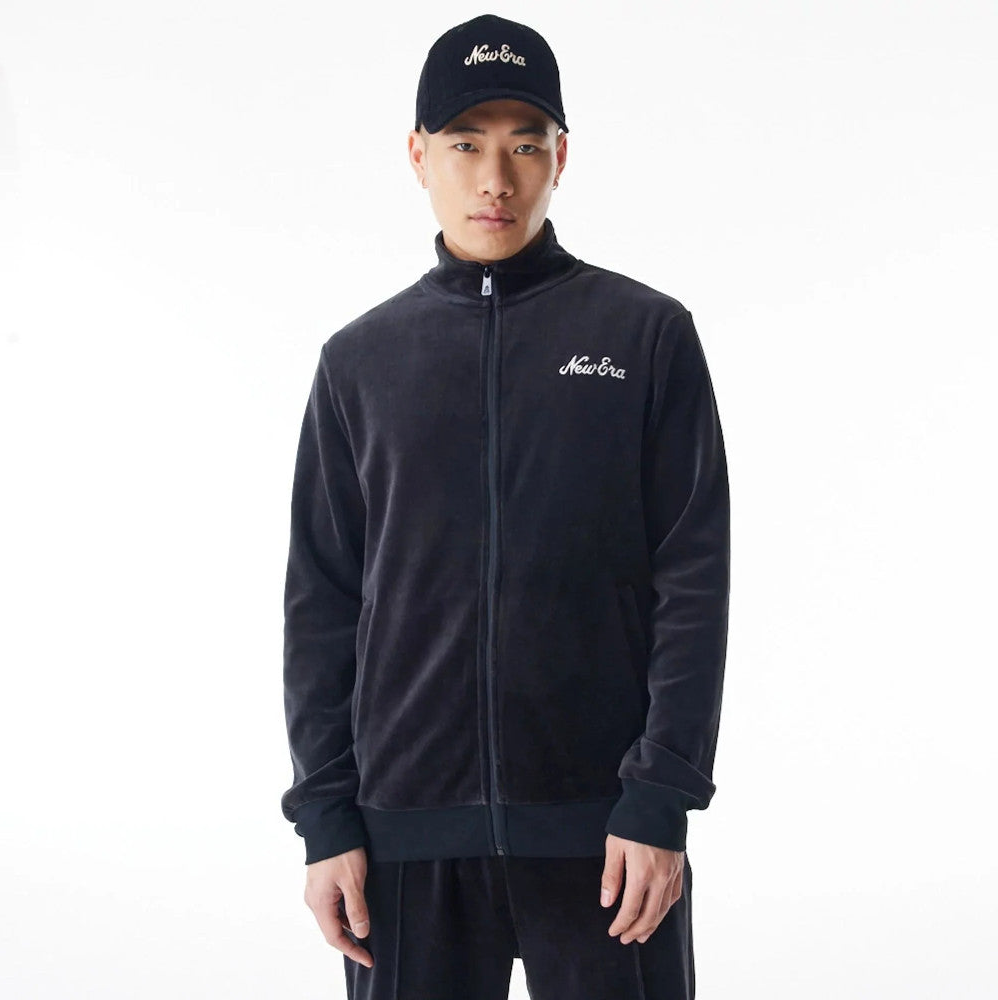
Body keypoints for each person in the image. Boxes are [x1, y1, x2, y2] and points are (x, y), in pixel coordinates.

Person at [280, 13, 731, 1000]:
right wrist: (326, 818)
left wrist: (660, 797)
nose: (496, 177)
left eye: (525, 144)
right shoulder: (359, 363)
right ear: (418, 155)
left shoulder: (646, 337)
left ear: (561, 156)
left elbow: (693, 582)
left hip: (608, 836)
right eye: (465, 143)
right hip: (403, 842)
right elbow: (322, 603)